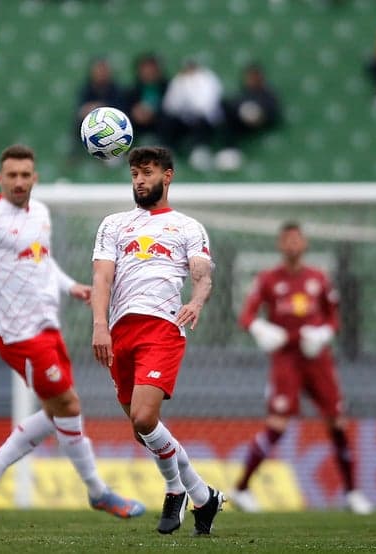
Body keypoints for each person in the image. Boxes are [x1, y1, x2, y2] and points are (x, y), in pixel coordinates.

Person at [0, 144, 145, 520]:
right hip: (19, 336)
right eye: (12, 175)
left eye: (25, 175)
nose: (19, 182)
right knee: (68, 405)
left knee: (59, 412)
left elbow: (43, 260)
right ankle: (98, 492)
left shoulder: (40, 212)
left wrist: (71, 286)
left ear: (35, 178)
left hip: (47, 327)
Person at [90, 145, 225, 535]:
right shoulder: (114, 225)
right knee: (142, 430)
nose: (139, 180)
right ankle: (204, 496)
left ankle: (174, 490)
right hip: (120, 331)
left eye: (147, 173)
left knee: (146, 418)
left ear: (167, 176)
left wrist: (197, 301)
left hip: (162, 327)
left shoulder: (187, 227)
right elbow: (102, 278)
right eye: (134, 174)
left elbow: (202, 276)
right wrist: (100, 325)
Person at [230, 221, 374, 515]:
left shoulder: (318, 279)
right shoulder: (268, 279)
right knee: (277, 424)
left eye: (297, 240)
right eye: (287, 240)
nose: (292, 245)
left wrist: (323, 334)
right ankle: (241, 489)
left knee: (337, 421)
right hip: (286, 359)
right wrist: (262, 329)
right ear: (280, 245)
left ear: (304, 244)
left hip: (317, 358)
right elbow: (245, 316)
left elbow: (334, 318)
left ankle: (352, 493)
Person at [160, 60, 225, 172]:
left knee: (201, 123)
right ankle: (169, 151)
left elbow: (206, 104)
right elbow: (170, 105)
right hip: (183, 118)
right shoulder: (179, 80)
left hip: (205, 118)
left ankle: (200, 150)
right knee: (167, 122)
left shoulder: (207, 79)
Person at [216, 62, 282, 172]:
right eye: (249, 77)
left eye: (254, 77)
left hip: (258, 124)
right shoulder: (243, 93)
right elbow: (232, 105)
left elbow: (273, 113)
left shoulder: (268, 94)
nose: (251, 80)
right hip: (239, 124)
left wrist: (260, 115)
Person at [123, 52, 169, 141]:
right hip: (137, 123)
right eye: (146, 68)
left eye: (152, 68)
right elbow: (125, 107)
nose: (149, 71)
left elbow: (173, 109)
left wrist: (153, 113)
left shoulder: (168, 88)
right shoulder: (132, 90)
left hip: (160, 123)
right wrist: (135, 112)